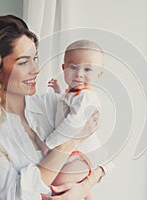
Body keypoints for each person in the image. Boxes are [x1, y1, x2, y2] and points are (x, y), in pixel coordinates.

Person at [0, 15, 105, 200]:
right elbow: (15, 195)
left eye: (34, 59)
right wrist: (68, 143)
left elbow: (104, 158)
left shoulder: (52, 104)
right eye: (23, 62)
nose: (36, 69)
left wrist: (84, 187)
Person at [31, 40, 114, 200]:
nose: (79, 73)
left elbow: (72, 123)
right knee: (73, 185)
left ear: (99, 74)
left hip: (85, 154)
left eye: (87, 69)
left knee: (57, 183)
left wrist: (49, 143)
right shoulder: (73, 94)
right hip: (76, 154)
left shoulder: (87, 96)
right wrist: (58, 90)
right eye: (73, 67)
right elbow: (65, 102)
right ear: (63, 69)